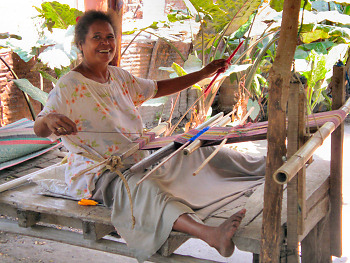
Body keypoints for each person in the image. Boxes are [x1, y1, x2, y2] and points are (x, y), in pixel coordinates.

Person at [34, 10, 265, 262]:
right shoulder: (69, 84)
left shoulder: (119, 76)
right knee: (144, 189)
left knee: (199, 151)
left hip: (138, 157)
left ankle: (267, 165)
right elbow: (40, 127)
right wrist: (49, 119)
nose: (105, 43)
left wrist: (204, 73)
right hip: (99, 173)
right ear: (81, 44)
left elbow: (157, 88)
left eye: (110, 37)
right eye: (96, 37)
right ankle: (210, 234)